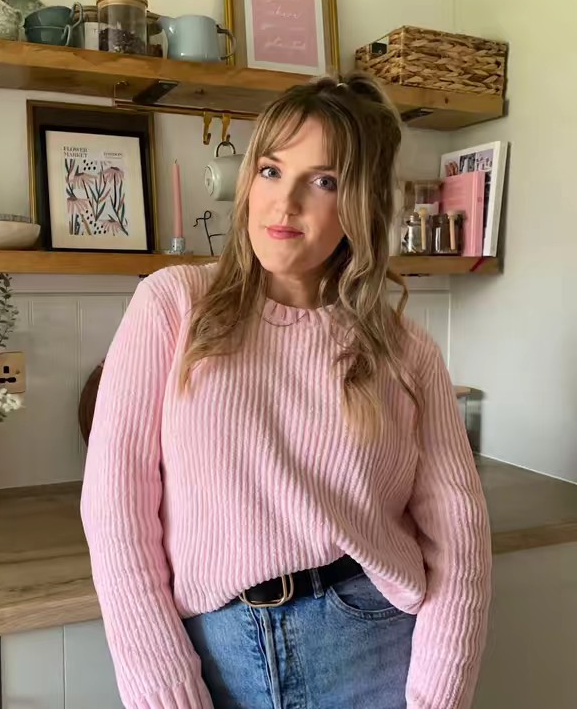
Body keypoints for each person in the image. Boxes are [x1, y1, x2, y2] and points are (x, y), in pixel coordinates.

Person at [81, 72, 492, 709]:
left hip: (372, 646)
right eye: (271, 171)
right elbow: (115, 510)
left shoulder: (406, 350)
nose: (285, 202)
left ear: (361, 205)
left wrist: (441, 695)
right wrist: (163, 691)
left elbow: (460, 539)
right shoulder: (173, 304)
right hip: (216, 652)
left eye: (323, 181)